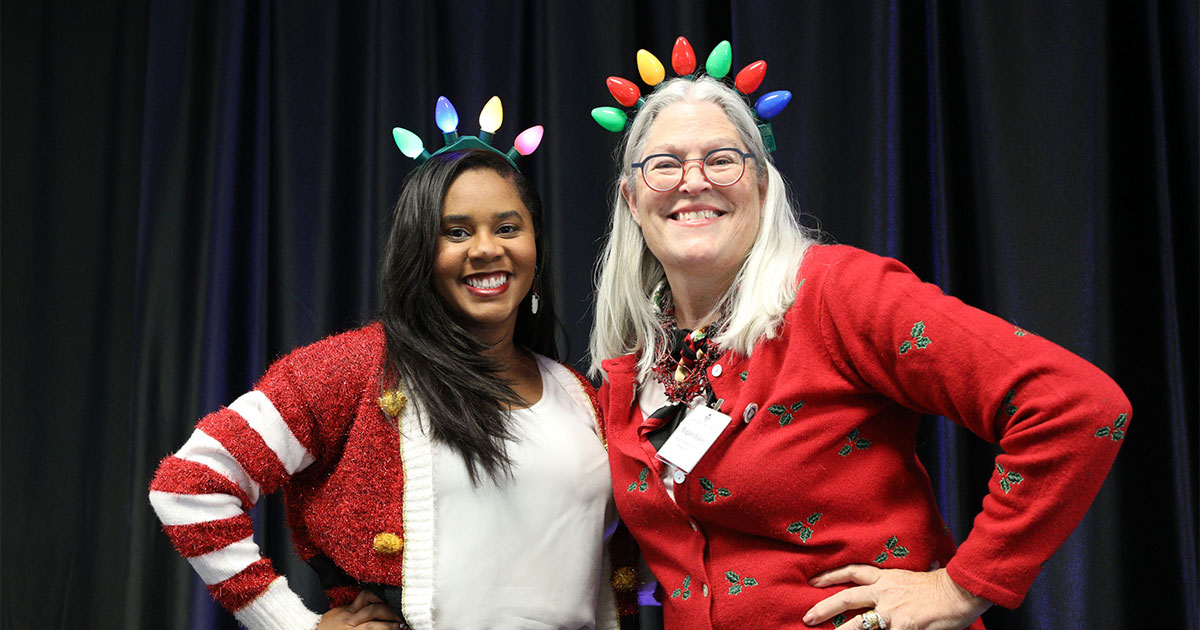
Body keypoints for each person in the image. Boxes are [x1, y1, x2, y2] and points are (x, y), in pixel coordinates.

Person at [588, 71, 1131, 630]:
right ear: (631, 198)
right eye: (664, 165)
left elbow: (1077, 404)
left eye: (722, 159)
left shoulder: (834, 293)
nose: (693, 181)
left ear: (763, 187)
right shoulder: (633, 361)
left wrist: (962, 586)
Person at [151, 147, 634, 630]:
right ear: (418, 250)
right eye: (457, 232)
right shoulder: (354, 370)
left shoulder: (578, 394)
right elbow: (189, 486)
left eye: (508, 228)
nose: (487, 248)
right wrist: (290, 624)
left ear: (536, 246)